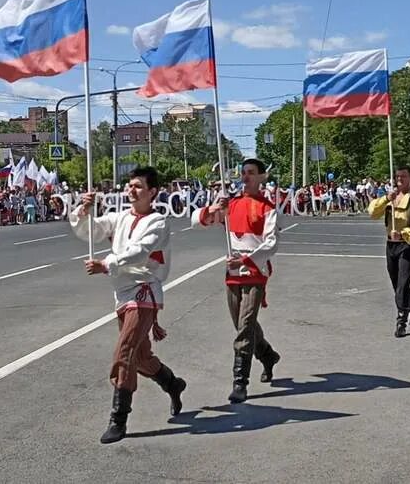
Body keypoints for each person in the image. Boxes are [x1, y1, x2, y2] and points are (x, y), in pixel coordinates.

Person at [70, 166, 186, 445]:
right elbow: (91, 232)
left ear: (152, 192)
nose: (130, 191)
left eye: (137, 186)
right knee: (141, 357)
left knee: (124, 351)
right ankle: (172, 383)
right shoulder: (120, 217)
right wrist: (83, 210)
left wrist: (106, 264)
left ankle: (118, 418)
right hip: (122, 293)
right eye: (129, 185)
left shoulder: (158, 221)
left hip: (144, 292)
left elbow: (140, 252)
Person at [198, 158, 281, 404]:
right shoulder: (231, 203)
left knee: (245, 325)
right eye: (243, 173)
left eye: (251, 173)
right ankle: (267, 355)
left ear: (261, 177)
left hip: (254, 271)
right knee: (243, 324)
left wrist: (245, 260)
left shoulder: (267, 207)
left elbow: (271, 243)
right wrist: (214, 208)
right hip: (232, 273)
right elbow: (203, 222)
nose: (245, 177)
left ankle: (240, 382)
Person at [368, 165, 410, 338]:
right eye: (397, 177)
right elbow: (372, 213)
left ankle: (401, 319)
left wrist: (403, 233)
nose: (400, 180)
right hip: (390, 245)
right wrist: (386, 199)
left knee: (402, 284)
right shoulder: (390, 198)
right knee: (396, 284)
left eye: (403, 176)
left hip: (407, 245)